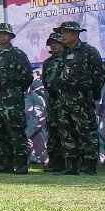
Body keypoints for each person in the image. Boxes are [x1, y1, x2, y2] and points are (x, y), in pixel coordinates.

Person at [55, 21, 105, 175]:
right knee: (66, 132)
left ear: (75, 34)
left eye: (65, 32)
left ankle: (89, 166)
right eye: (61, 32)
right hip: (63, 100)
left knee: (86, 132)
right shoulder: (62, 53)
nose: (62, 35)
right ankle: (71, 166)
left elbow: (99, 75)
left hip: (82, 99)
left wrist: (91, 94)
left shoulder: (89, 51)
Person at [0, 23, 33, 173]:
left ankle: (21, 164)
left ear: (10, 37)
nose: (1, 36)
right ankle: (4, 164)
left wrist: (14, 90)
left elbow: (27, 76)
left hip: (11, 101)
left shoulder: (17, 54)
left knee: (16, 132)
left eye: (4, 34)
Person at [41, 32, 66, 173]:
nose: (54, 46)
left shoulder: (69, 59)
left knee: (68, 132)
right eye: (51, 44)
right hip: (53, 103)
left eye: (56, 43)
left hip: (68, 102)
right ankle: (54, 162)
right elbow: (45, 82)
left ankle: (71, 163)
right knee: (53, 133)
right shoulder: (48, 63)